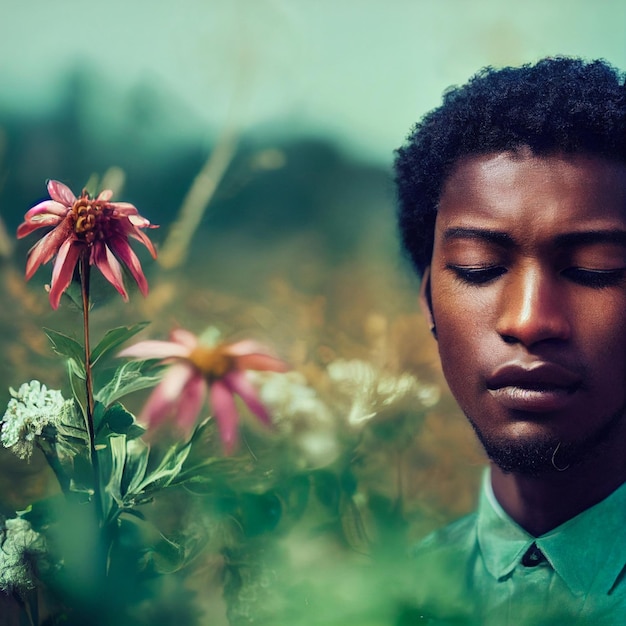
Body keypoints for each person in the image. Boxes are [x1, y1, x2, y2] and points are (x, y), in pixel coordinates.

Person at [394, 57, 626, 625]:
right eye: (479, 267)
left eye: (594, 269)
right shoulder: (386, 601)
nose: (528, 320)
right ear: (428, 299)